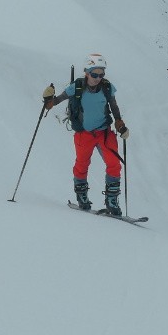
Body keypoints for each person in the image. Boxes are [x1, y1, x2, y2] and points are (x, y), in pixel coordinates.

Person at [43, 53, 129, 215]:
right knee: (82, 165)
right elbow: (58, 100)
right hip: (84, 134)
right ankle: (82, 196)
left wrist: (120, 123)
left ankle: (112, 201)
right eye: (94, 74)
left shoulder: (107, 87)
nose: (98, 78)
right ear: (87, 72)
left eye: (101, 74)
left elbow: (114, 106)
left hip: (104, 132)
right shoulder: (76, 87)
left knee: (114, 164)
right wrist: (48, 101)